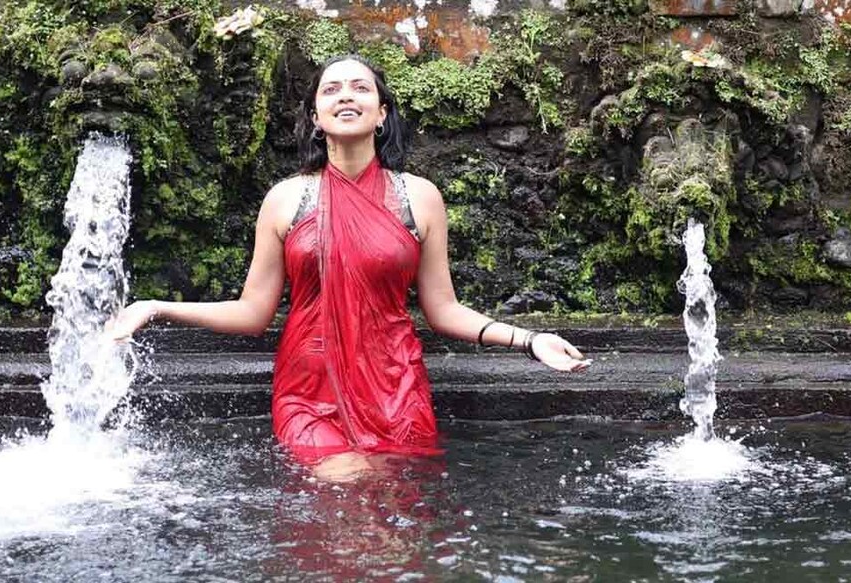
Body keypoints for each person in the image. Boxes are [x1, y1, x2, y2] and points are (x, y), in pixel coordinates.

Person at [106, 54, 591, 479]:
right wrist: (156, 307)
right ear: (315, 116)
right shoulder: (285, 199)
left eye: (360, 88)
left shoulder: (420, 197)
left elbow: (443, 310)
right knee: (347, 485)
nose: (345, 96)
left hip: (396, 387)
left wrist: (529, 340)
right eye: (331, 89)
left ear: (381, 113)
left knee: (395, 519)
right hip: (310, 390)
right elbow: (253, 312)